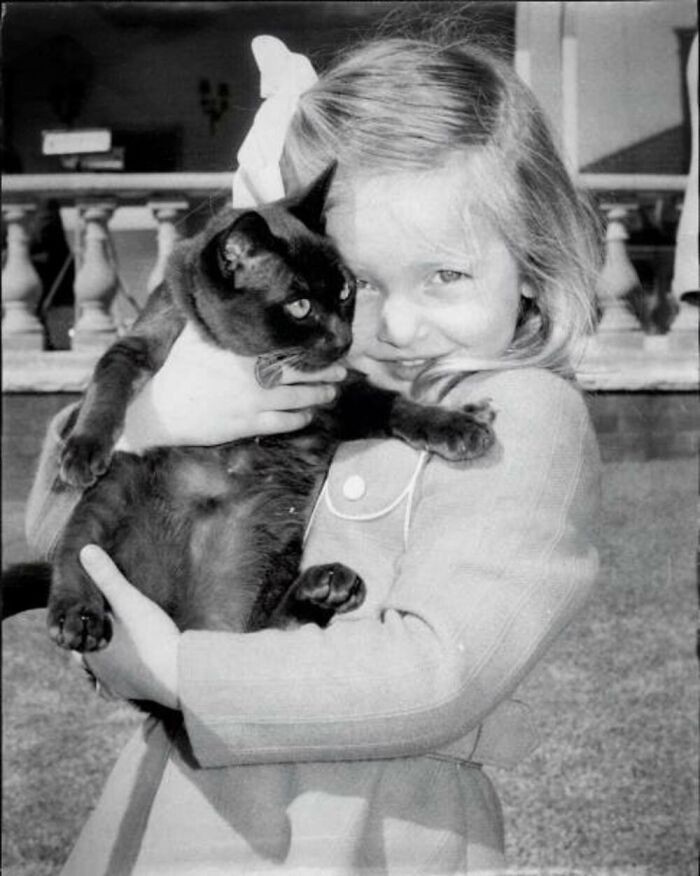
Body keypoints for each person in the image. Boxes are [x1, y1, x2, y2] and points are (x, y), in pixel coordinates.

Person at [25, 35, 601, 875]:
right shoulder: (294, 380)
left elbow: (440, 675)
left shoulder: (526, 418)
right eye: (364, 282)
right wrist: (152, 420)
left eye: (445, 276)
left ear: (534, 264)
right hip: (178, 818)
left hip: (374, 834)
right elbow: (57, 538)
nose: (395, 326)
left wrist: (179, 671)